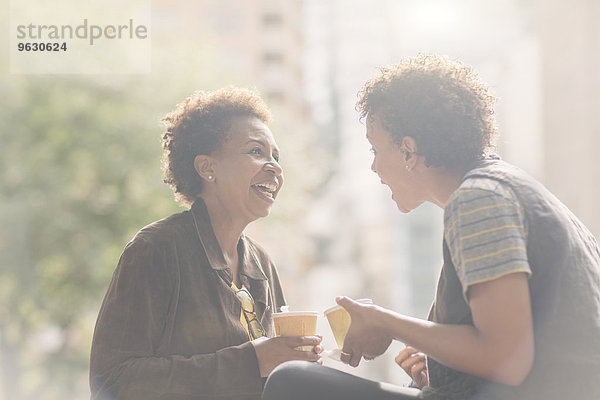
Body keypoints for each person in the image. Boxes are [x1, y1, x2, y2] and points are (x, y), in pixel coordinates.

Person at [261, 54, 600, 400]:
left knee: (291, 382)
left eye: (376, 150)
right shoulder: (505, 188)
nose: (374, 167)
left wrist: (384, 322)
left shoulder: (478, 200)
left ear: (409, 151)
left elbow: (509, 359)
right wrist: (443, 367)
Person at [89, 87, 322, 400]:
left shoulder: (262, 265)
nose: (275, 167)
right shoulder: (156, 249)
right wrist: (251, 362)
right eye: (256, 151)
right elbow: (112, 380)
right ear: (207, 168)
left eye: (276, 157)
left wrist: (295, 364)